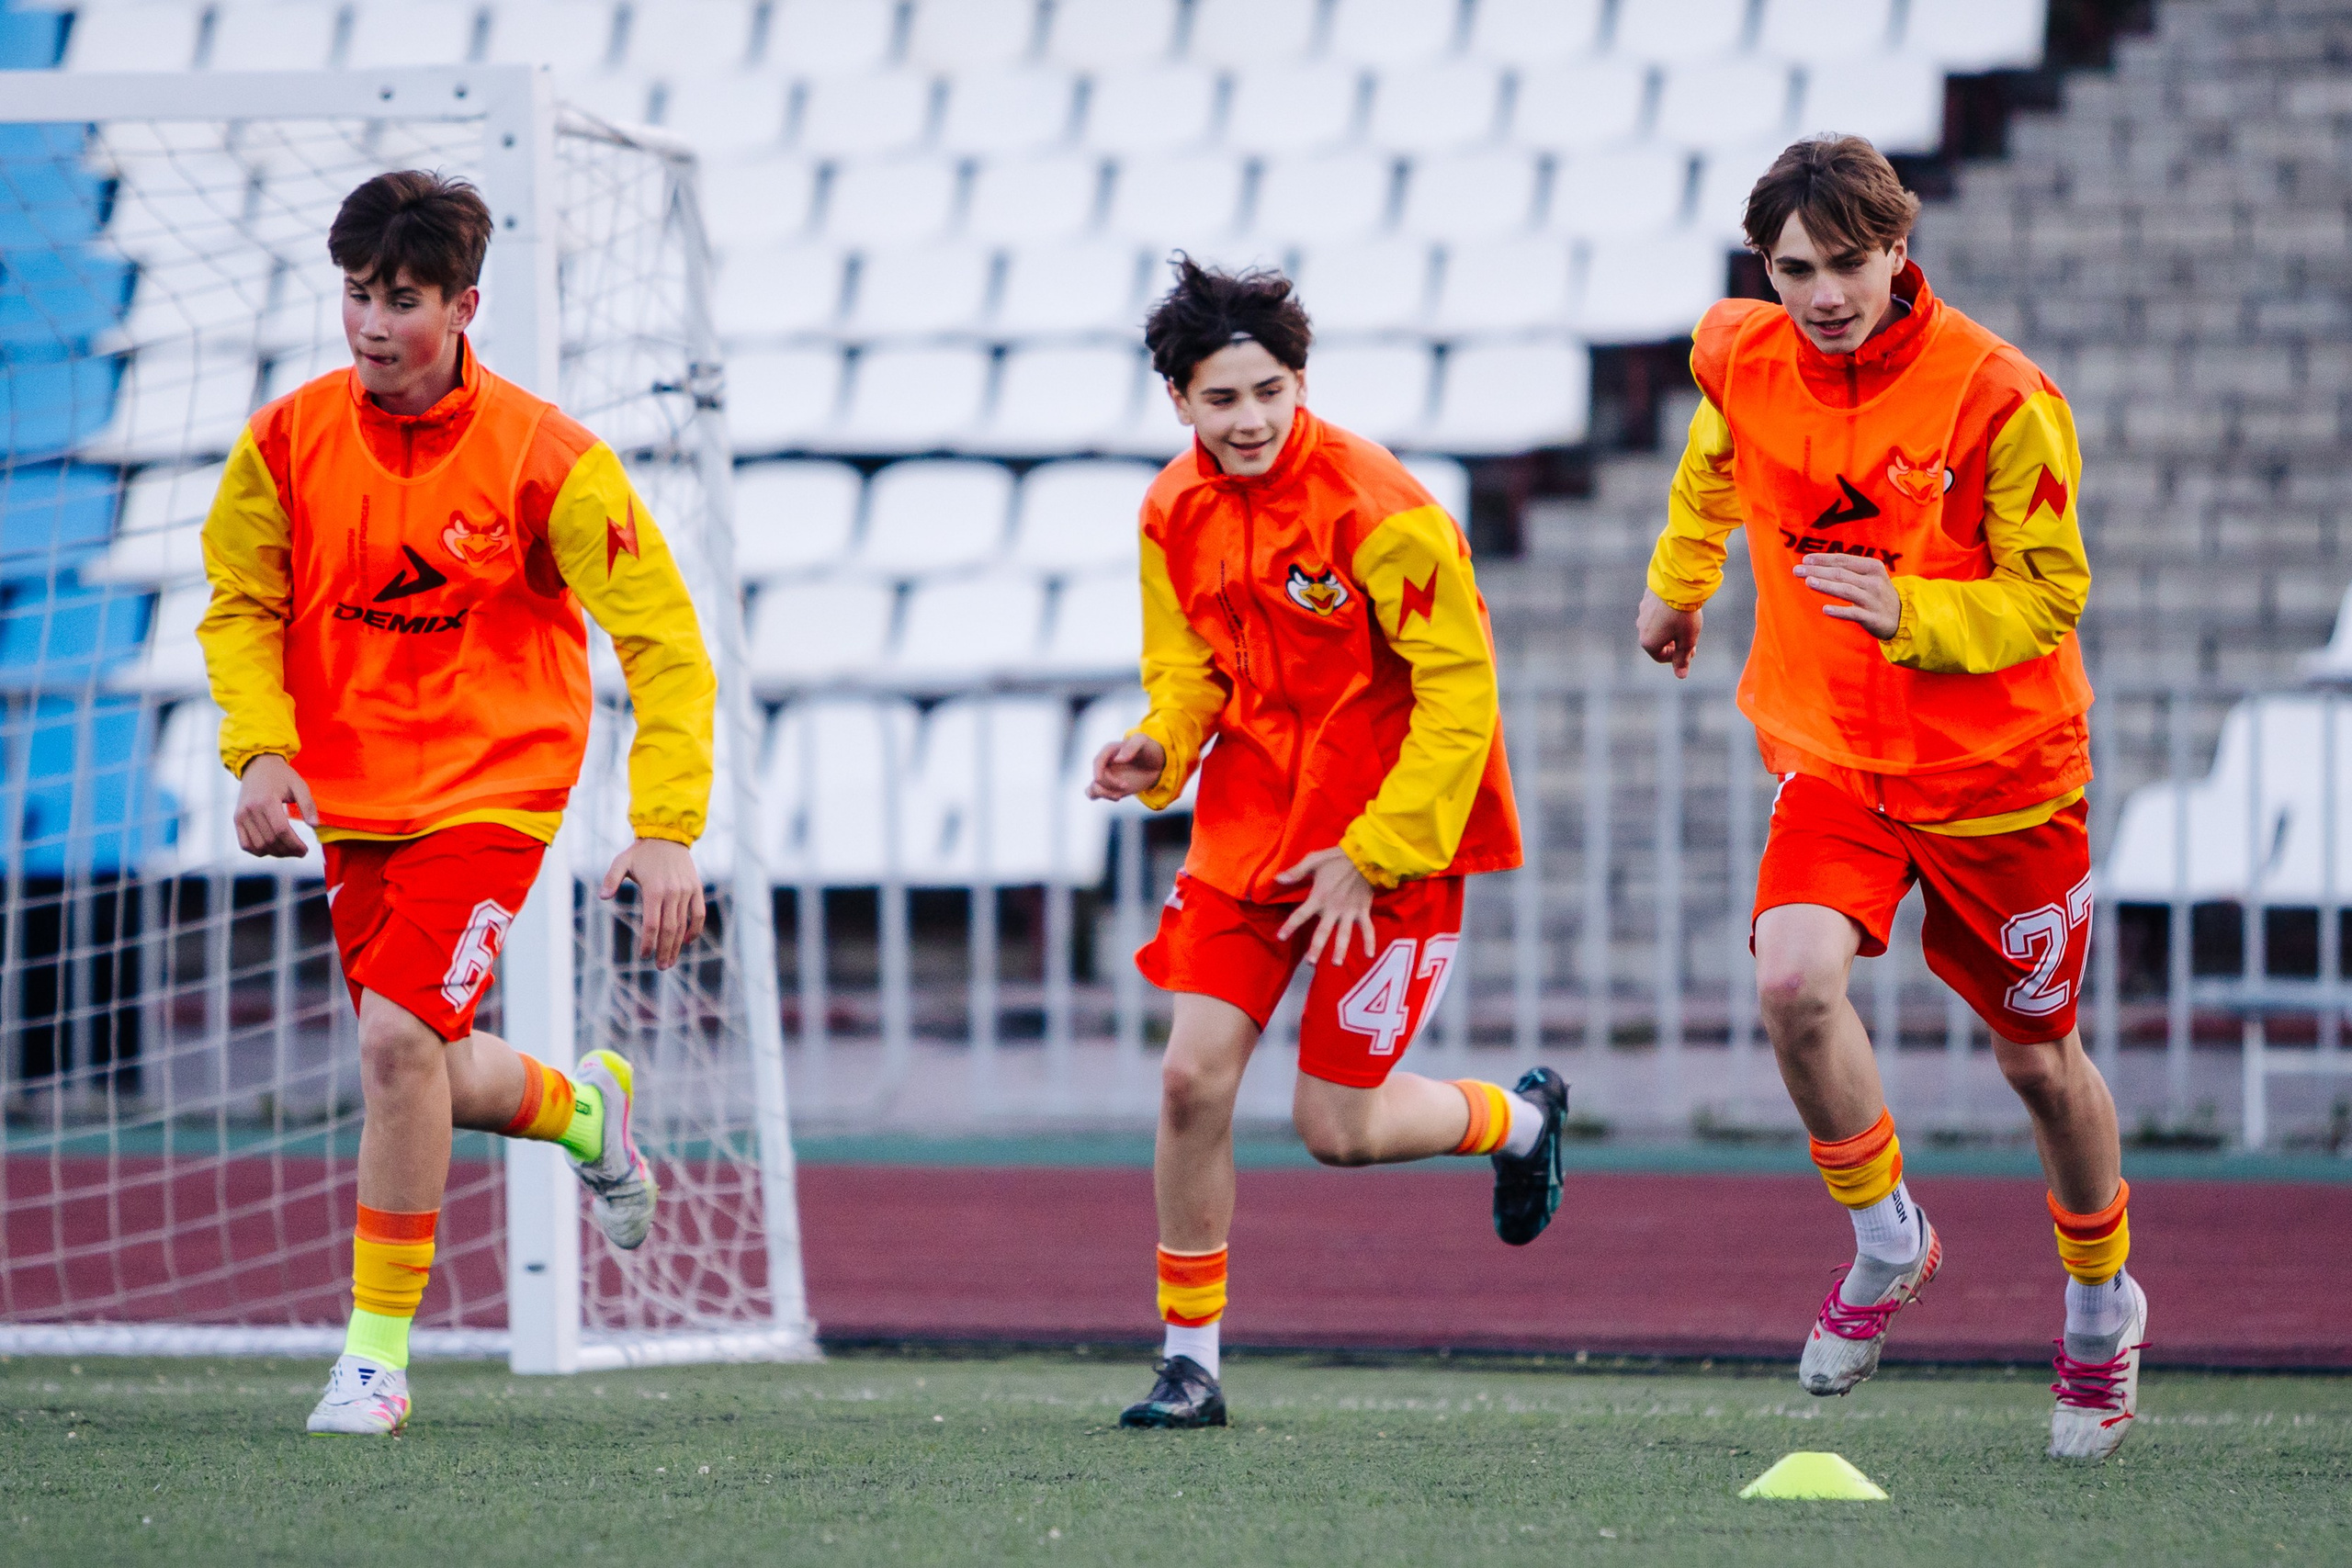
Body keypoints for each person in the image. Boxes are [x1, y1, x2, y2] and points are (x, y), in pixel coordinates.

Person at [1636, 136, 2142, 1461]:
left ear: (1899, 250)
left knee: (2038, 1059)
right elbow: (1714, 457)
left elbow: (2051, 592)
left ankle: (2102, 1302)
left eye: (1849, 262)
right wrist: (1680, 577)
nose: (1824, 293)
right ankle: (1886, 1235)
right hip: (1836, 756)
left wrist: (1915, 609)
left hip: (2002, 777)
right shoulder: (1738, 353)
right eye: (1795, 267)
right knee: (1793, 987)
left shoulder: (1997, 392)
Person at [198, 170, 717, 1437]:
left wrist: (667, 823)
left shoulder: (550, 458)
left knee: (389, 1047)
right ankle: (586, 1110)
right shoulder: (284, 440)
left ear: (465, 303)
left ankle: (374, 1358)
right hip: (355, 796)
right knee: (421, 1057)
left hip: (495, 783)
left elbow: (662, 641)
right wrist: (259, 750)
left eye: (404, 299)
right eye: (358, 295)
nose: (374, 324)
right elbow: (241, 601)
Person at [1088, 256, 1566, 1430]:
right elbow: (1188, 670)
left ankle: (1525, 1122)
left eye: (1269, 392)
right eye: (1221, 399)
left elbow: (1461, 702)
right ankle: (1188, 1363)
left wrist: (1378, 849)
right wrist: (1161, 746)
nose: (1250, 420)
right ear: (1180, 403)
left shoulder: (1382, 511)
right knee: (1191, 1081)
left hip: (1390, 847)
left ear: (1300, 382)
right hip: (1249, 837)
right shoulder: (1168, 509)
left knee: (1336, 1131)